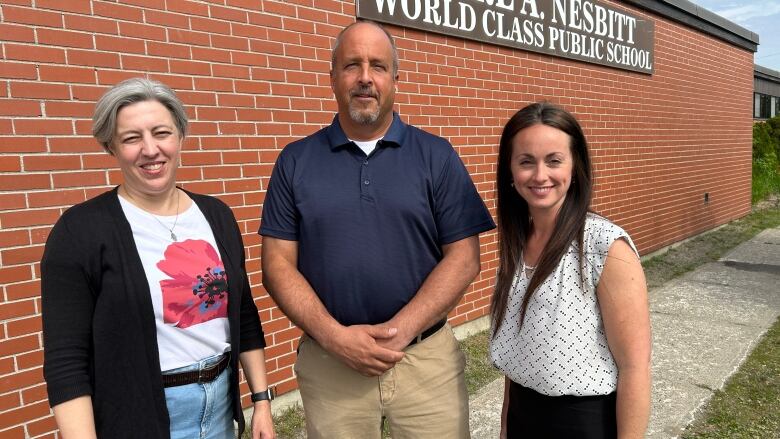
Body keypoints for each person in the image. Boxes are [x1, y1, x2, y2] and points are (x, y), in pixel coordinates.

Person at [259, 20, 495, 438]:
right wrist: (334, 337)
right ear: (332, 76)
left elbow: (464, 258)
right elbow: (277, 265)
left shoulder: (436, 156)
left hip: (424, 362)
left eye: (378, 66)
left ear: (395, 80)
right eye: (352, 65)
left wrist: (399, 332)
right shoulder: (295, 162)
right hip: (331, 365)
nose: (365, 77)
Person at [41, 78, 275, 439]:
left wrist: (261, 401)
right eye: (131, 138)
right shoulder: (80, 232)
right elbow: (66, 362)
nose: (150, 149)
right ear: (112, 147)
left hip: (220, 410)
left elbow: (243, 314)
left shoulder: (217, 216)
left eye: (161, 132)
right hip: (139, 416)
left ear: (180, 136)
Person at [489, 102, 651, 438]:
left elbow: (635, 367)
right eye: (526, 161)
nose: (539, 175)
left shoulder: (605, 246)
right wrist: (506, 427)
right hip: (523, 416)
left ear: (575, 166)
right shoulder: (517, 243)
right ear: (510, 170)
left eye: (553, 160)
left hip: (581, 423)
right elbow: (520, 353)